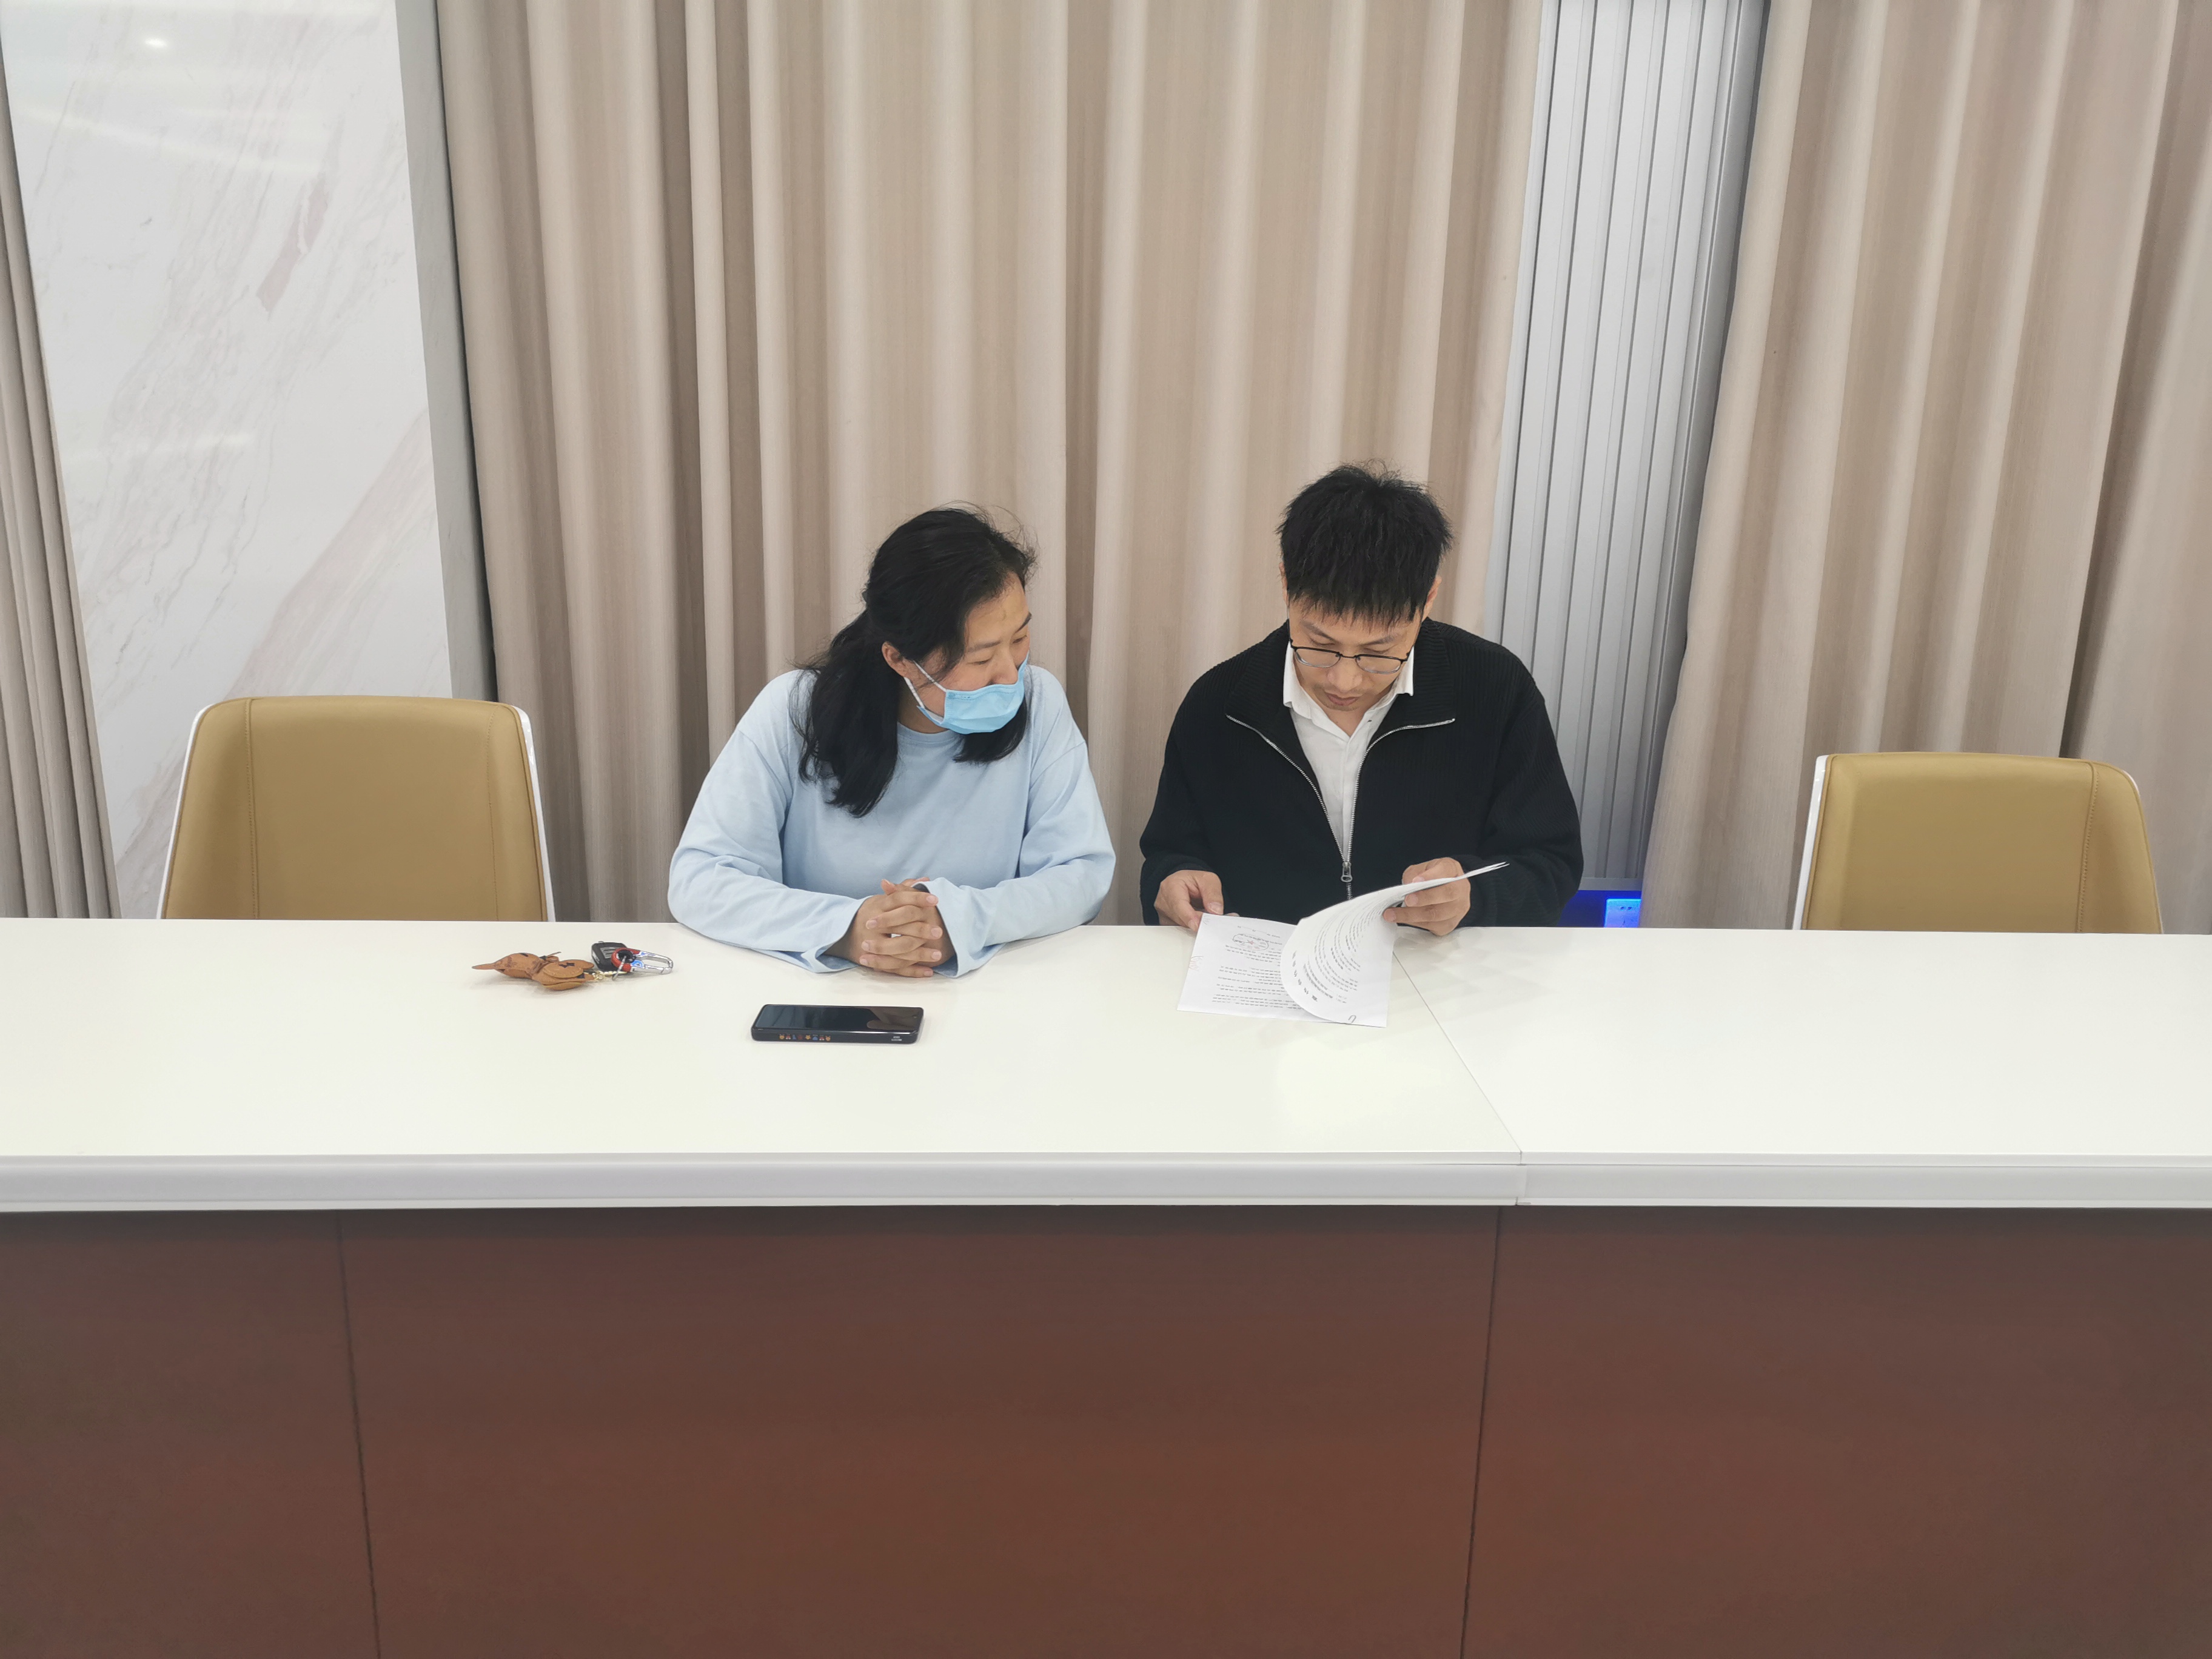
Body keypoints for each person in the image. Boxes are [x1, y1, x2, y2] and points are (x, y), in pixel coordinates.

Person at [670, 507, 1113, 977]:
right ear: (900, 659)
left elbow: (1081, 873)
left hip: (989, 991)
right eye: (981, 658)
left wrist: (958, 921)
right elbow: (701, 880)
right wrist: (849, 929)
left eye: (1019, 638)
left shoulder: (1040, 703)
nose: (1010, 675)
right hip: (820, 995)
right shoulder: (794, 710)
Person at [1139, 464, 1581, 935]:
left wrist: (1475, 895)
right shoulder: (1219, 706)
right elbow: (1170, 854)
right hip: (1268, 970)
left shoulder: (1494, 689)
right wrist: (1173, 880)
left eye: (1378, 653)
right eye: (1319, 644)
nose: (1345, 681)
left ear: (1429, 597)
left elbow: (1550, 864)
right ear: (1286, 584)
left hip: (1432, 969)